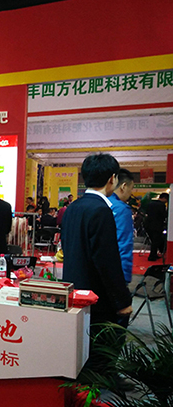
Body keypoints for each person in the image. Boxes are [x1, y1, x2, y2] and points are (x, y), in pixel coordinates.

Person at [61, 153, 132, 371]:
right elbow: (106, 260)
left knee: (80, 347)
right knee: (102, 350)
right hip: (97, 294)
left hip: (74, 288)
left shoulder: (73, 208)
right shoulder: (102, 210)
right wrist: (122, 300)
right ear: (112, 179)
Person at [108, 169, 135, 284]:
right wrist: (125, 277)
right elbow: (124, 244)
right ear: (123, 186)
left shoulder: (97, 203)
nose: (130, 193)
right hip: (113, 271)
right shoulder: (121, 209)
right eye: (131, 188)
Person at [144, 193, 169, 261]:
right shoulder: (161, 205)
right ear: (164, 198)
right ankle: (152, 255)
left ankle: (154, 254)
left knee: (154, 241)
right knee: (156, 241)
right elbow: (163, 215)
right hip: (157, 225)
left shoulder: (150, 203)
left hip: (148, 225)